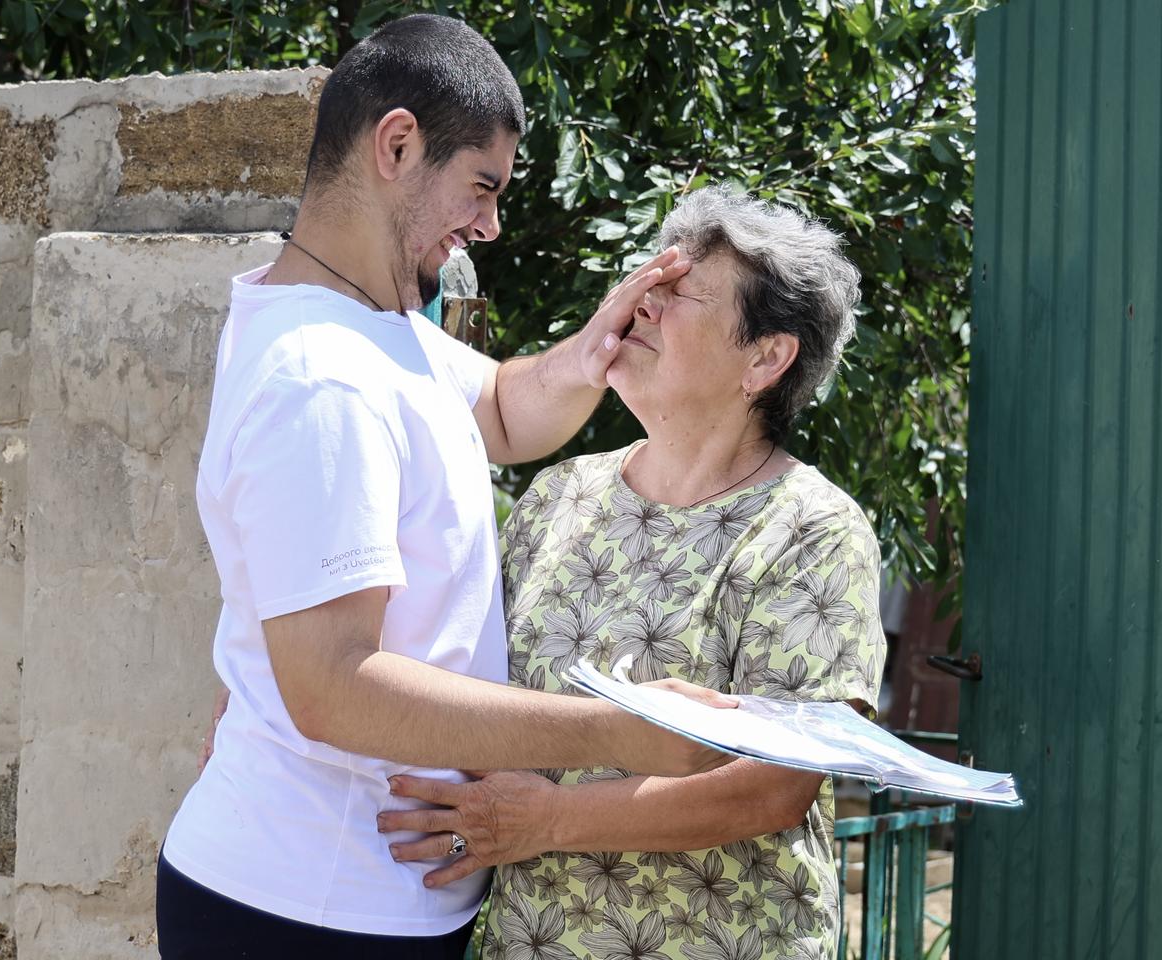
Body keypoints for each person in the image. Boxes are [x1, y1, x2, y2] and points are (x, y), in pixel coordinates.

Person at [157, 16, 734, 960]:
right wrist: (622, 732)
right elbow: (332, 689)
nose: (491, 224)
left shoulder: (378, 329)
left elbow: (504, 410)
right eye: (483, 186)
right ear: (397, 145)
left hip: (362, 898)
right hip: (304, 908)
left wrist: (594, 349)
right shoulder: (323, 377)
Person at [383, 188, 887, 960]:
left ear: (766, 357)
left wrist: (549, 820)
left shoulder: (814, 530)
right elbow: (464, 681)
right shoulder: (560, 495)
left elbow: (776, 785)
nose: (640, 306)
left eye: (679, 293)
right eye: (647, 284)